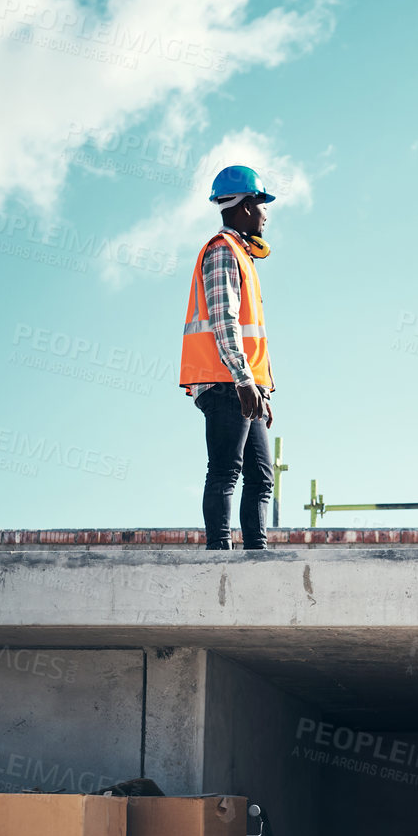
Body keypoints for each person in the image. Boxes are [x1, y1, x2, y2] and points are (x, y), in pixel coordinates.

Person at [179, 165, 279, 550]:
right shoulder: (222, 251)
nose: (266, 214)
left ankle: (257, 553)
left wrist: (261, 389)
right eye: (262, 204)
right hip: (226, 383)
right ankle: (218, 555)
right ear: (245, 206)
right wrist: (243, 379)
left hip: (243, 384)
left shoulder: (241, 254)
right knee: (225, 472)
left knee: (261, 476)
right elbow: (224, 320)